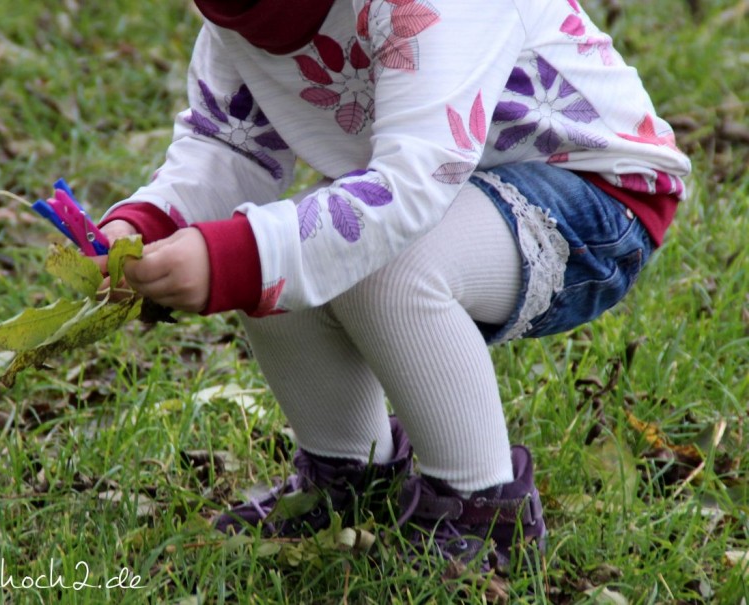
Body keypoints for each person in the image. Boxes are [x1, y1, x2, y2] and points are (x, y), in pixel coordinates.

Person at [93, 0, 691, 572]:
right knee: (282, 258)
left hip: (597, 196)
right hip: (448, 187)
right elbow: (226, 144)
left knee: (358, 267)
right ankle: (348, 474)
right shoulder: (240, 16)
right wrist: (146, 225)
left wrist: (240, 255)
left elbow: (413, 180)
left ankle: (484, 511)